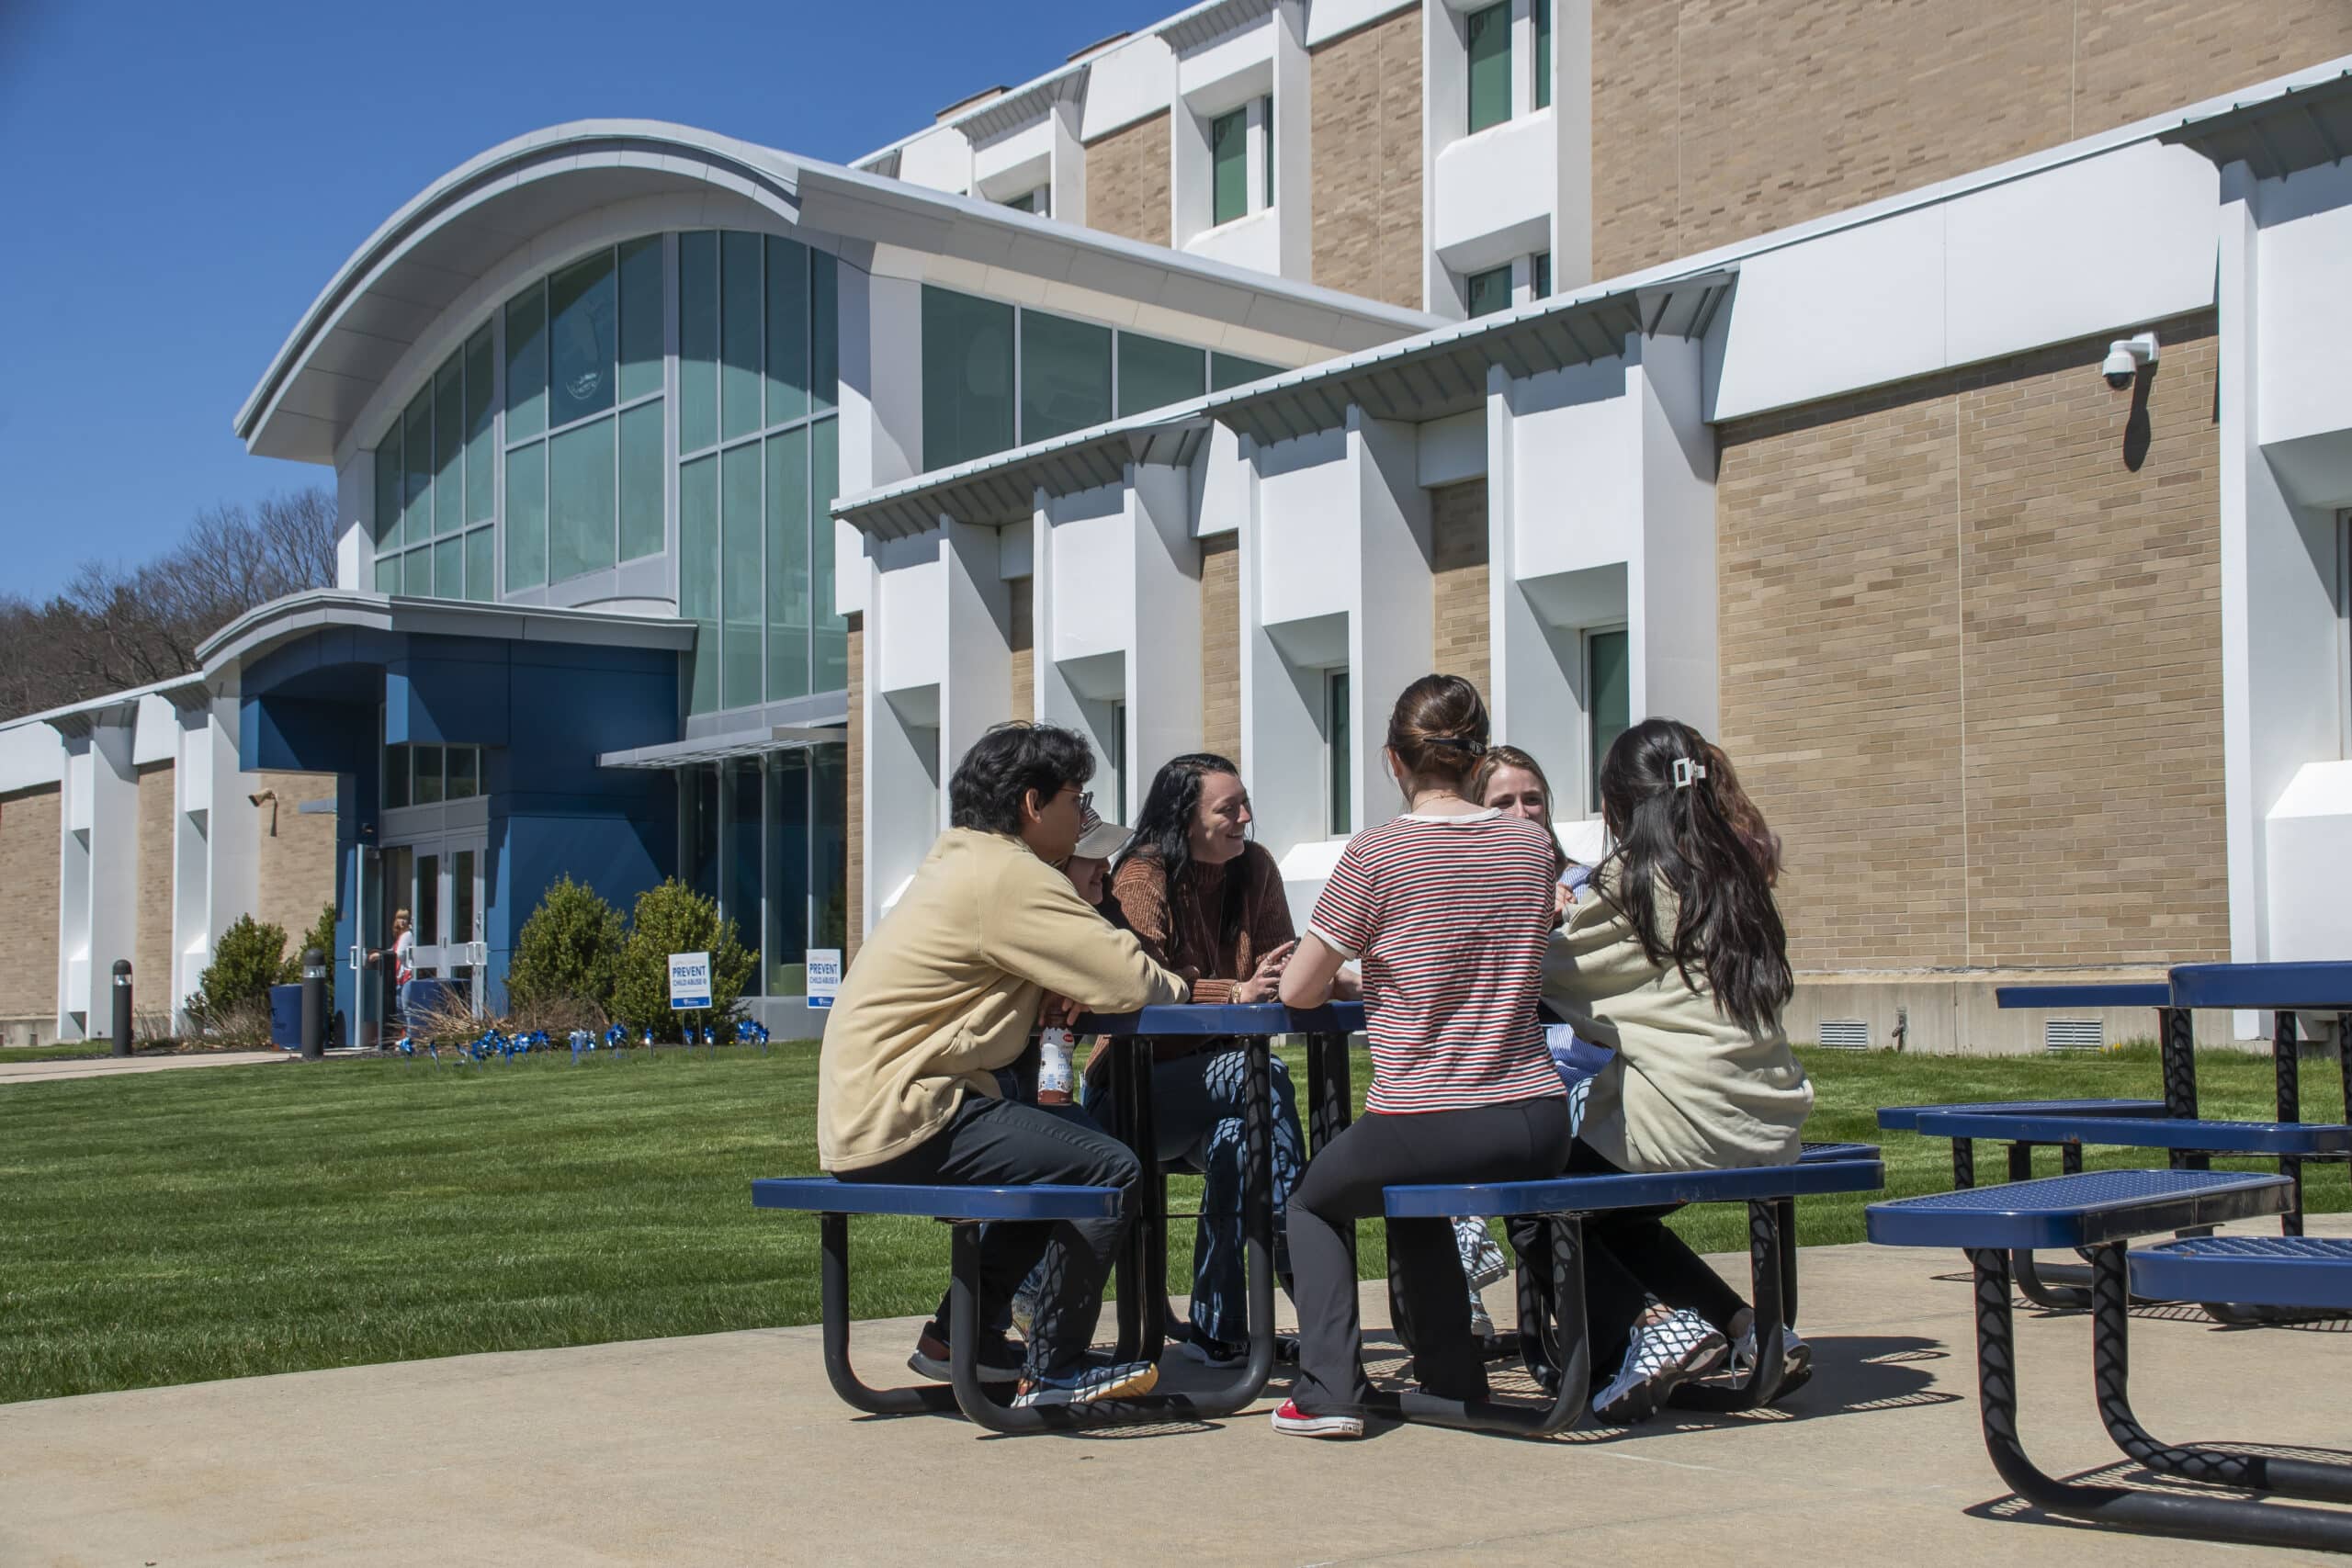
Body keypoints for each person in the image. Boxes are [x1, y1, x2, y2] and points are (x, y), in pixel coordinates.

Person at [817, 722, 1190, 1408]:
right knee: (1108, 1166)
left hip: (877, 1110)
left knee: (1066, 1147)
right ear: (1031, 804)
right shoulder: (1008, 874)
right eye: (1077, 799)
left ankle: (959, 1340)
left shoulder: (964, 861)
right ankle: (1053, 1370)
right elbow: (1130, 977)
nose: (1083, 815)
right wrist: (1185, 986)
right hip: (910, 1112)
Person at [1270, 674, 1572, 1439]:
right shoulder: (1532, 846)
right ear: (1477, 757)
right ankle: (1450, 1372)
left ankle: (1328, 1387)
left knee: (1312, 1201)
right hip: (1536, 1113)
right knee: (1412, 1196)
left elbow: (1300, 989)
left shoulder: (1377, 853)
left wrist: (1355, 973)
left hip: (1429, 1110)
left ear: (1393, 760)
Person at [1521, 716, 1815, 1425]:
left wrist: (1542, 915)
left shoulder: (1631, 882)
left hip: (1691, 1123)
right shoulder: (1736, 875)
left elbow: (1541, 975)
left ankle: (1647, 1328)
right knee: (1615, 1217)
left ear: (1618, 803)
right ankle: (1750, 1329)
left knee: (1532, 1195)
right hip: (1771, 1119)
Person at [1087, 753, 1310, 1366]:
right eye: (1228, 808)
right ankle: (1304, 1258)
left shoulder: (1256, 867)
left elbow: (1282, 965)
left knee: (1241, 1138)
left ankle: (1220, 1332)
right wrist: (1232, 992)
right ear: (1184, 818)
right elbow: (1141, 984)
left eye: (1245, 803)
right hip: (1132, 1088)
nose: (1246, 817)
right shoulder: (1141, 873)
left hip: (1225, 1090)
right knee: (1261, 1076)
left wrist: (1283, 979)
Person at [364, 909, 415, 1038]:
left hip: (407, 977)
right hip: (400, 979)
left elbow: (399, 953)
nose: (402, 921)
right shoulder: (400, 937)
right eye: (400, 918)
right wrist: (380, 954)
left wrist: (379, 955)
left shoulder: (407, 935)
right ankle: (406, 1036)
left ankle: (411, 1038)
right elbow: (392, 951)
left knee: (406, 1009)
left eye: (405, 918)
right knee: (400, 1009)